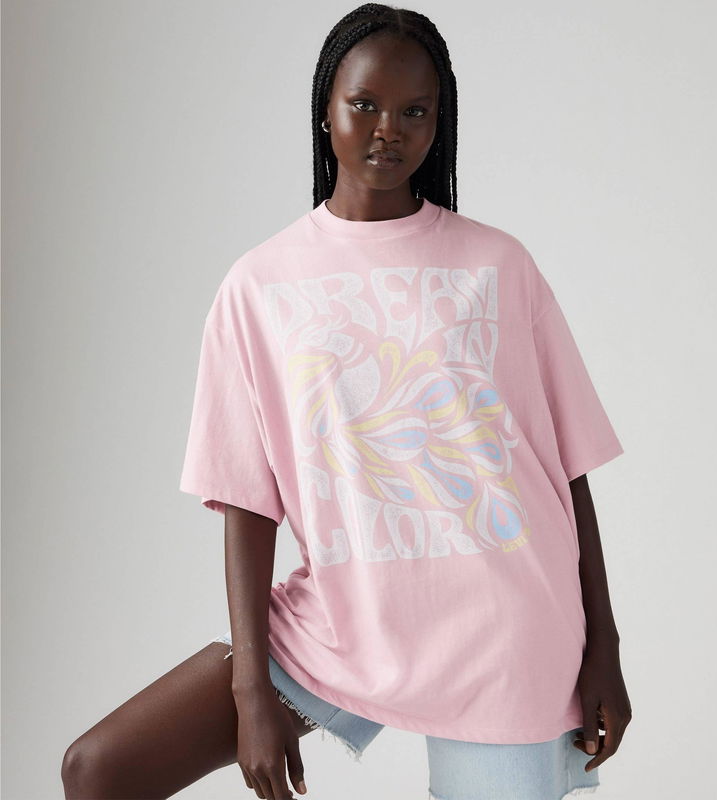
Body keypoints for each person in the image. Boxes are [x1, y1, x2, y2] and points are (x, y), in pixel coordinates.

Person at [61, 5, 632, 799]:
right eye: (364, 104)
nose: (387, 130)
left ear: (438, 122)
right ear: (326, 107)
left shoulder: (498, 267)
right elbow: (248, 501)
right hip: (344, 618)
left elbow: (564, 470)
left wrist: (603, 647)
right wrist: (250, 689)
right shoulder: (259, 287)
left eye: (415, 111)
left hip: (505, 635)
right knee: (99, 771)